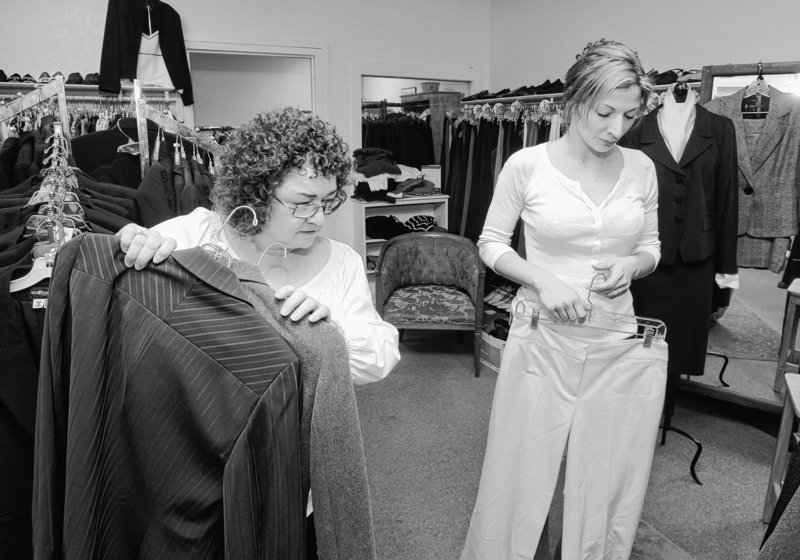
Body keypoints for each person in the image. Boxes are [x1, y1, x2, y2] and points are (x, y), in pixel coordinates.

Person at [460, 39, 668, 560]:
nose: (615, 128)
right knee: (520, 465)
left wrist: (631, 265)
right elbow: (490, 244)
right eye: (603, 112)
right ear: (573, 101)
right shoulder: (526, 165)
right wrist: (542, 280)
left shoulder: (641, 168)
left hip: (616, 342)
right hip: (543, 336)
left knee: (605, 474)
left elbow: (651, 247)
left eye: (628, 115)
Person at [117, 107, 401, 387]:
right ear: (256, 194)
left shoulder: (341, 262)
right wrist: (128, 249)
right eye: (303, 203)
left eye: (327, 201)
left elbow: (381, 358)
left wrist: (330, 333)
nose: (319, 217)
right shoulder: (191, 236)